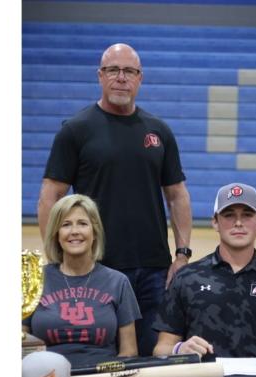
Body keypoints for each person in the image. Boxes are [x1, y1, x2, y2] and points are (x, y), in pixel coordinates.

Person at [38, 43, 192, 356]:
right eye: (113, 70)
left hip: (153, 269)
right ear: (100, 75)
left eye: (129, 71)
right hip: (97, 268)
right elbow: (50, 195)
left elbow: (177, 195)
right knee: (104, 360)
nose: (121, 78)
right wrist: (56, 255)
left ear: (140, 78)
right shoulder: (76, 130)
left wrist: (182, 254)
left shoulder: (158, 131)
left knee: (155, 357)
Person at [152, 184, 256, 361]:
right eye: (229, 215)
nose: (238, 223)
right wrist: (178, 349)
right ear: (215, 222)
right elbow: (161, 348)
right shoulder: (186, 278)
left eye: (247, 215)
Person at [23, 195, 139, 364]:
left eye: (83, 224)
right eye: (66, 224)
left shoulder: (118, 282)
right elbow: (19, 345)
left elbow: (129, 351)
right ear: (56, 234)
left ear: (95, 232)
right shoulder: (33, 280)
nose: (74, 231)